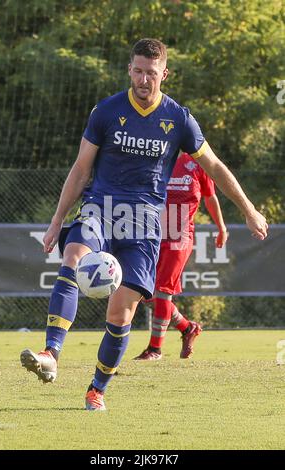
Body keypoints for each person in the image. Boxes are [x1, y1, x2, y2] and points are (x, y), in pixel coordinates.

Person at [20, 38, 268, 411]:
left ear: (163, 74)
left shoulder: (178, 118)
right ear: (129, 70)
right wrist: (57, 221)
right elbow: (81, 169)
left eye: (151, 73)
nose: (143, 79)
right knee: (72, 257)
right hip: (100, 209)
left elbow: (214, 167)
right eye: (137, 71)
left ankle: (96, 389)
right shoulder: (105, 112)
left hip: (144, 224)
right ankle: (51, 353)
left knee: (120, 316)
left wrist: (249, 209)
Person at [134, 152, 228, 361]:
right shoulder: (154, 158)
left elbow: (210, 196)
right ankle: (187, 328)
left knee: (164, 291)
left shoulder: (197, 163)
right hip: (152, 236)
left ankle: (155, 349)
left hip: (180, 237)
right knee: (145, 294)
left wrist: (221, 227)